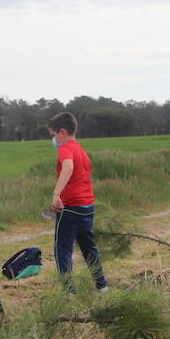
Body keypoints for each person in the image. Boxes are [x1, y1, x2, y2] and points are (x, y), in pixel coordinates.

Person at [47, 112, 108, 292]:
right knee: (89, 247)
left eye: (53, 135)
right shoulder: (80, 150)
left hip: (70, 208)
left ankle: (69, 291)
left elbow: (68, 167)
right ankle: (101, 285)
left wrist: (56, 194)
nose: (54, 139)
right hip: (87, 207)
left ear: (63, 132)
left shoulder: (65, 148)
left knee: (62, 249)